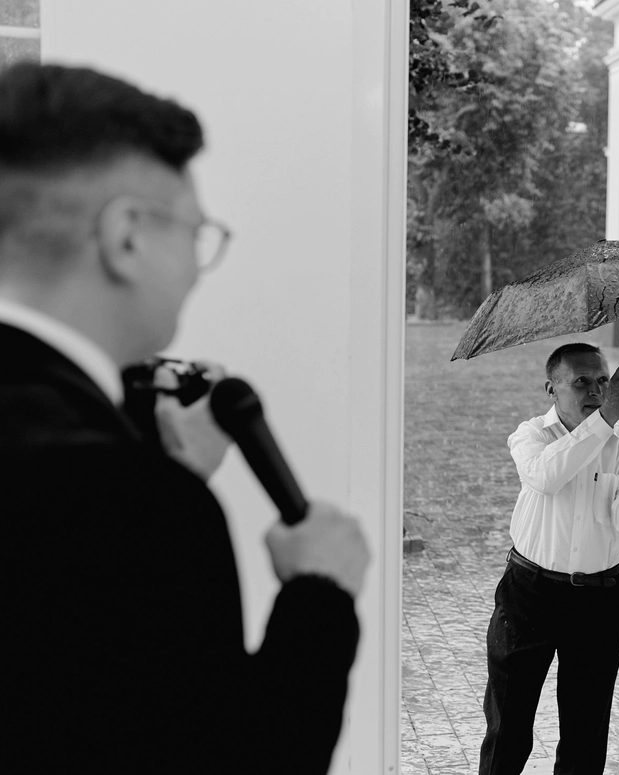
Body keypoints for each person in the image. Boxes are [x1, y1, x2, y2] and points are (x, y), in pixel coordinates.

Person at [0, 63, 370, 774]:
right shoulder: (141, 505)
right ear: (127, 237)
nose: (199, 267)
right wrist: (319, 595)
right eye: (196, 233)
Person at [479, 342, 619, 775]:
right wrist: (605, 418)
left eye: (603, 380)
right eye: (581, 381)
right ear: (552, 388)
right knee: (508, 728)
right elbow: (546, 477)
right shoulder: (530, 435)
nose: (596, 390)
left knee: (586, 735)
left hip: (600, 599)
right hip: (529, 594)